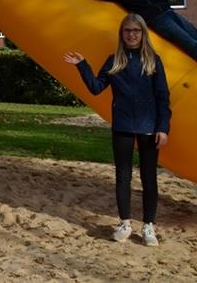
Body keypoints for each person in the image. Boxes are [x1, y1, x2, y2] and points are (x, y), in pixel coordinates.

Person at [64, 13, 171, 246]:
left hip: (149, 126)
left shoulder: (153, 60)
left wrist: (163, 127)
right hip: (122, 124)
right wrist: (82, 65)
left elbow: (163, 96)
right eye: (127, 31)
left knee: (149, 178)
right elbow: (95, 88)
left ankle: (148, 226)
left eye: (136, 31)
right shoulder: (114, 61)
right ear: (121, 35)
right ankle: (124, 223)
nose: (132, 34)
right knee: (123, 177)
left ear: (143, 34)